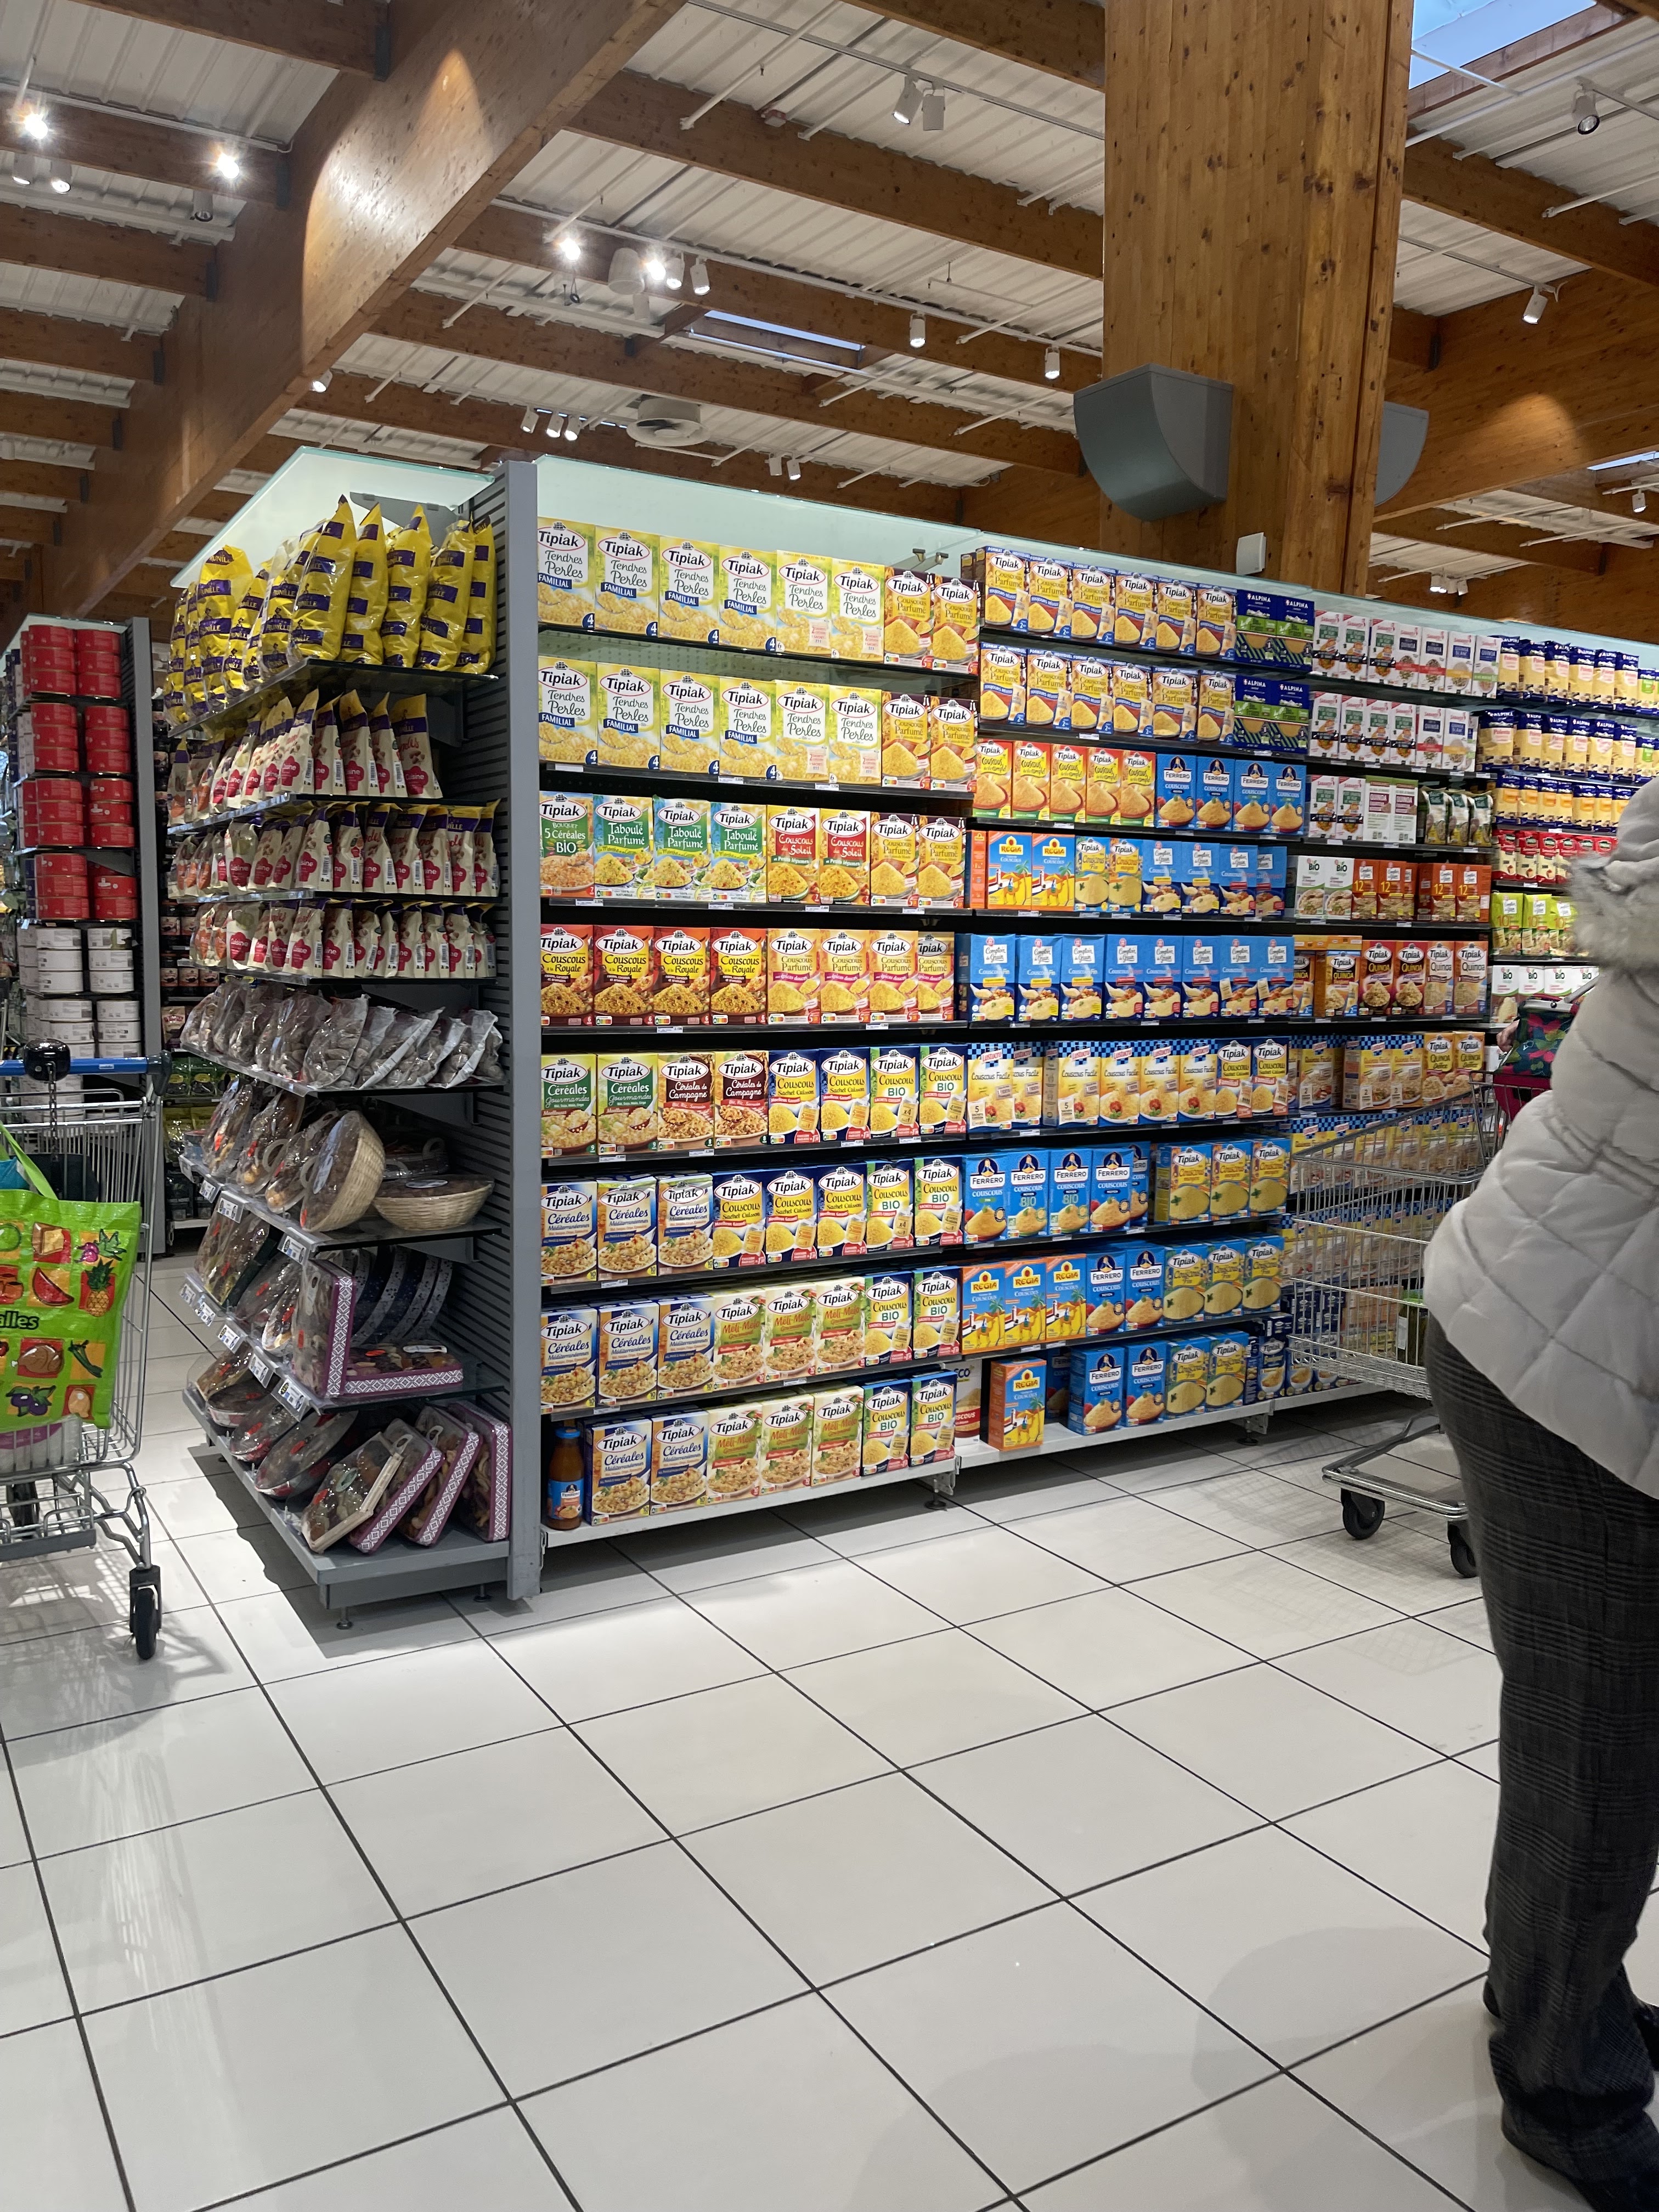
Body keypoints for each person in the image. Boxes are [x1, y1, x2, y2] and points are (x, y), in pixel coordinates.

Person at [1424, 773, 1659, 2212]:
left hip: (1581, 1325)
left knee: (1602, 1734)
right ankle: (1564, 2084)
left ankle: (1553, 1990)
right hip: (1565, 1361)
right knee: (1599, 1751)